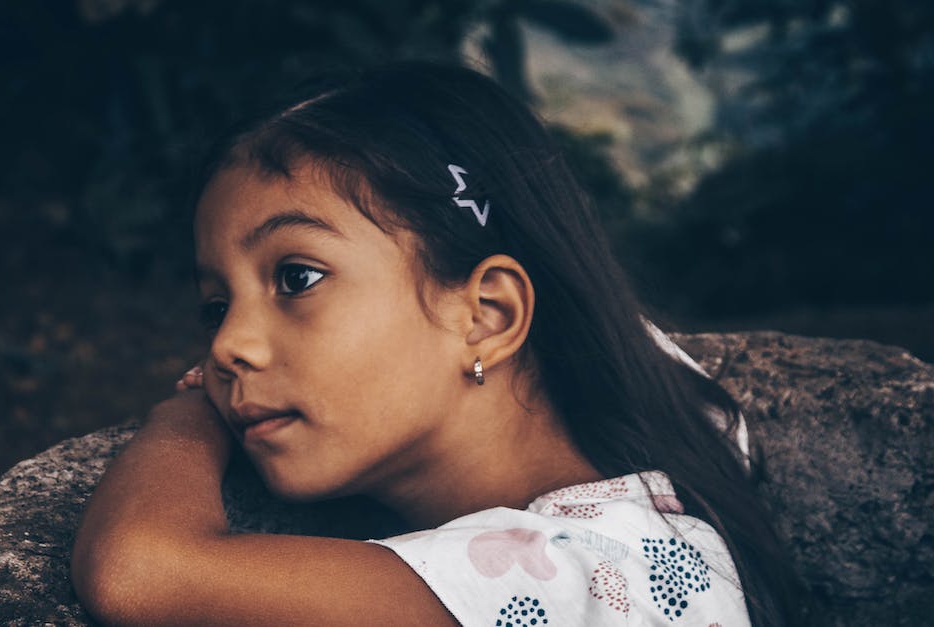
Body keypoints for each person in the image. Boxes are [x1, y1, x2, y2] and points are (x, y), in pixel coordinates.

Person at [70, 62, 801, 626]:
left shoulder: (587, 584)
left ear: (487, 315)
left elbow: (141, 573)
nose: (228, 344)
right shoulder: (673, 425)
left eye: (296, 276)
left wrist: (184, 418)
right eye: (215, 306)